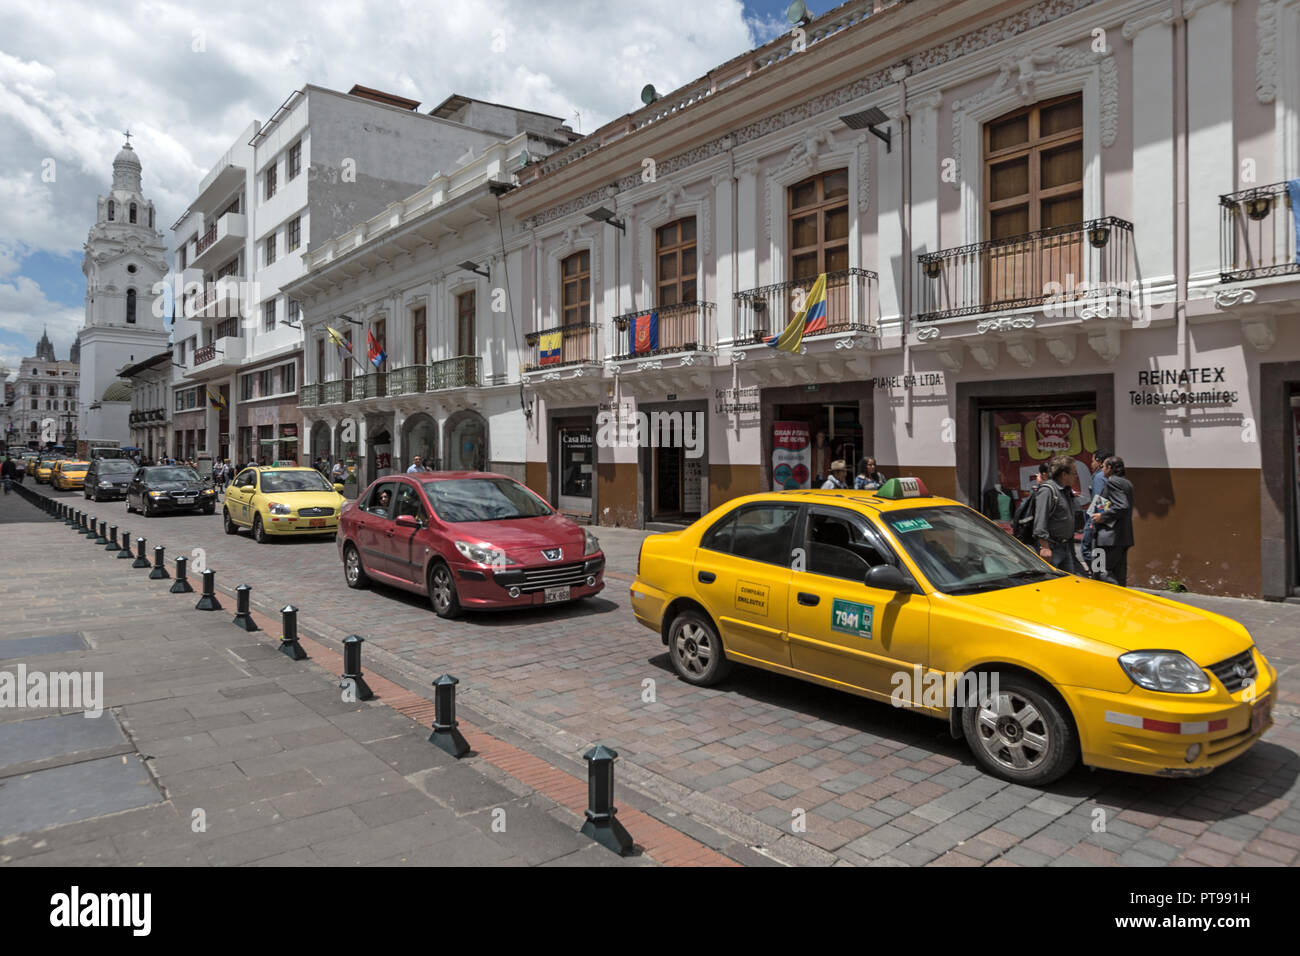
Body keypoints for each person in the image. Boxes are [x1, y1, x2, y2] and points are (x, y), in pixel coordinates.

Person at [1032, 455, 1080, 574]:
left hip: (1065, 546)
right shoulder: (1048, 490)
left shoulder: (1065, 490)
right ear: (1064, 475)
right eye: (1074, 473)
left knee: (1068, 583)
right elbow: (1040, 518)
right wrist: (1044, 547)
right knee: (1050, 582)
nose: (1076, 476)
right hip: (1051, 548)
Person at [1091, 456, 1134, 586]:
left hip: (1108, 539)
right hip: (1121, 537)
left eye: (1103, 466)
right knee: (1119, 574)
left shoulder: (1113, 482)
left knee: (1100, 571)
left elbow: (1122, 506)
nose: (1102, 469)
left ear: (1109, 468)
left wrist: (1102, 517)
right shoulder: (1126, 483)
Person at [1079, 447, 1111, 575]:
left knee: (1087, 549)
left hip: (1096, 517)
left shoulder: (1099, 477)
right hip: (1104, 517)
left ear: (1099, 461)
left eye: (1092, 461)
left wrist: (1094, 520)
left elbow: (1100, 500)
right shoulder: (1109, 476)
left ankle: (1099, 574)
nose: (1091, 464)